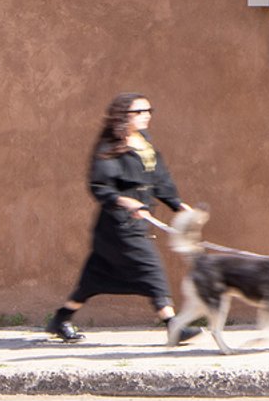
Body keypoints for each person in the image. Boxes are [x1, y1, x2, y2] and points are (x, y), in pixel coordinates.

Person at [46, 92, 198, 343]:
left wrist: (177, 204)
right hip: (118, 225)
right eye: (139, 111)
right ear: (123, 115)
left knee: (93, 279)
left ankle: (61, 318)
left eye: (148, 111)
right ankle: (173, 325)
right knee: (151, 268)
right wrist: (125, 201)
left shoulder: (144, 143)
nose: (146, 116)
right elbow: (100, 186)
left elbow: (159, 179)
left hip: (137, 222)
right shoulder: (109, 147)